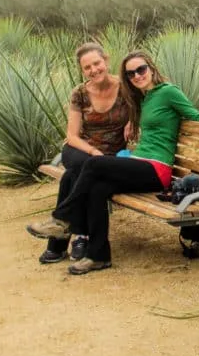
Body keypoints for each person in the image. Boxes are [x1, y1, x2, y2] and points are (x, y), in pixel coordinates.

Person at [26, 50, 199, 275]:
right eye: (131, 74)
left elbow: (193, 113)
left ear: (151, 67)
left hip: (157, 168)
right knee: (97, 188)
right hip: (140, 162)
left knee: (93, 164)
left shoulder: (167, 91)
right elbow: (136, 112)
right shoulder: (143, 97)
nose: (137, 75)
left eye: (141, 69)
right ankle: (98, 256)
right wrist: (132, 121)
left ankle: (62, 220)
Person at [37, 42, 130, 265]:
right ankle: (82, 236)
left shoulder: (126, 88)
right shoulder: (79, 93)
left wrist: (135, 121)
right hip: (80, 150)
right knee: (84, 167)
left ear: (106, 61)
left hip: (111, 157)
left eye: (97, 63)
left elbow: (147, 103)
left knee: (71, 177)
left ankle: (61, 243)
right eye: (87, 67)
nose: (93, 70)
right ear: (83, 71)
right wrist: (93, 151)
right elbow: (72, 135)